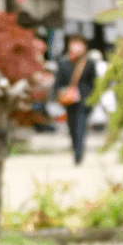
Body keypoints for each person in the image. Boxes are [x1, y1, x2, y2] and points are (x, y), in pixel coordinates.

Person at [53, 35, 96, 165]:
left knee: (81, 126)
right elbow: (58, 83)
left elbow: (94, 83)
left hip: (85, 101)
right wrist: (61, 93)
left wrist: (93, 98)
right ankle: (75, 148)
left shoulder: (89, 63)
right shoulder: (64, 63)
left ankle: (79, 153)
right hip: (70, 102)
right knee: (72, 127)